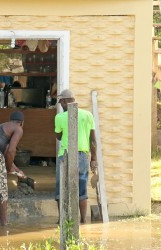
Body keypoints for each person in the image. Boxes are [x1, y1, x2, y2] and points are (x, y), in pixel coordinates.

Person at [54, 89, 97, 224]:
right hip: (83, 156)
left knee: (61, 188)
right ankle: (83, 220)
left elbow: (59, 136)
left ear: (66, 101)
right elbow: (93, 140)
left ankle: (62, 219)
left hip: (64, 156)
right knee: (82, 188)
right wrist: (93, 159)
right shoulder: (88, 115)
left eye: (61, 101)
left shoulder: (60, 117)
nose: (60, 104)